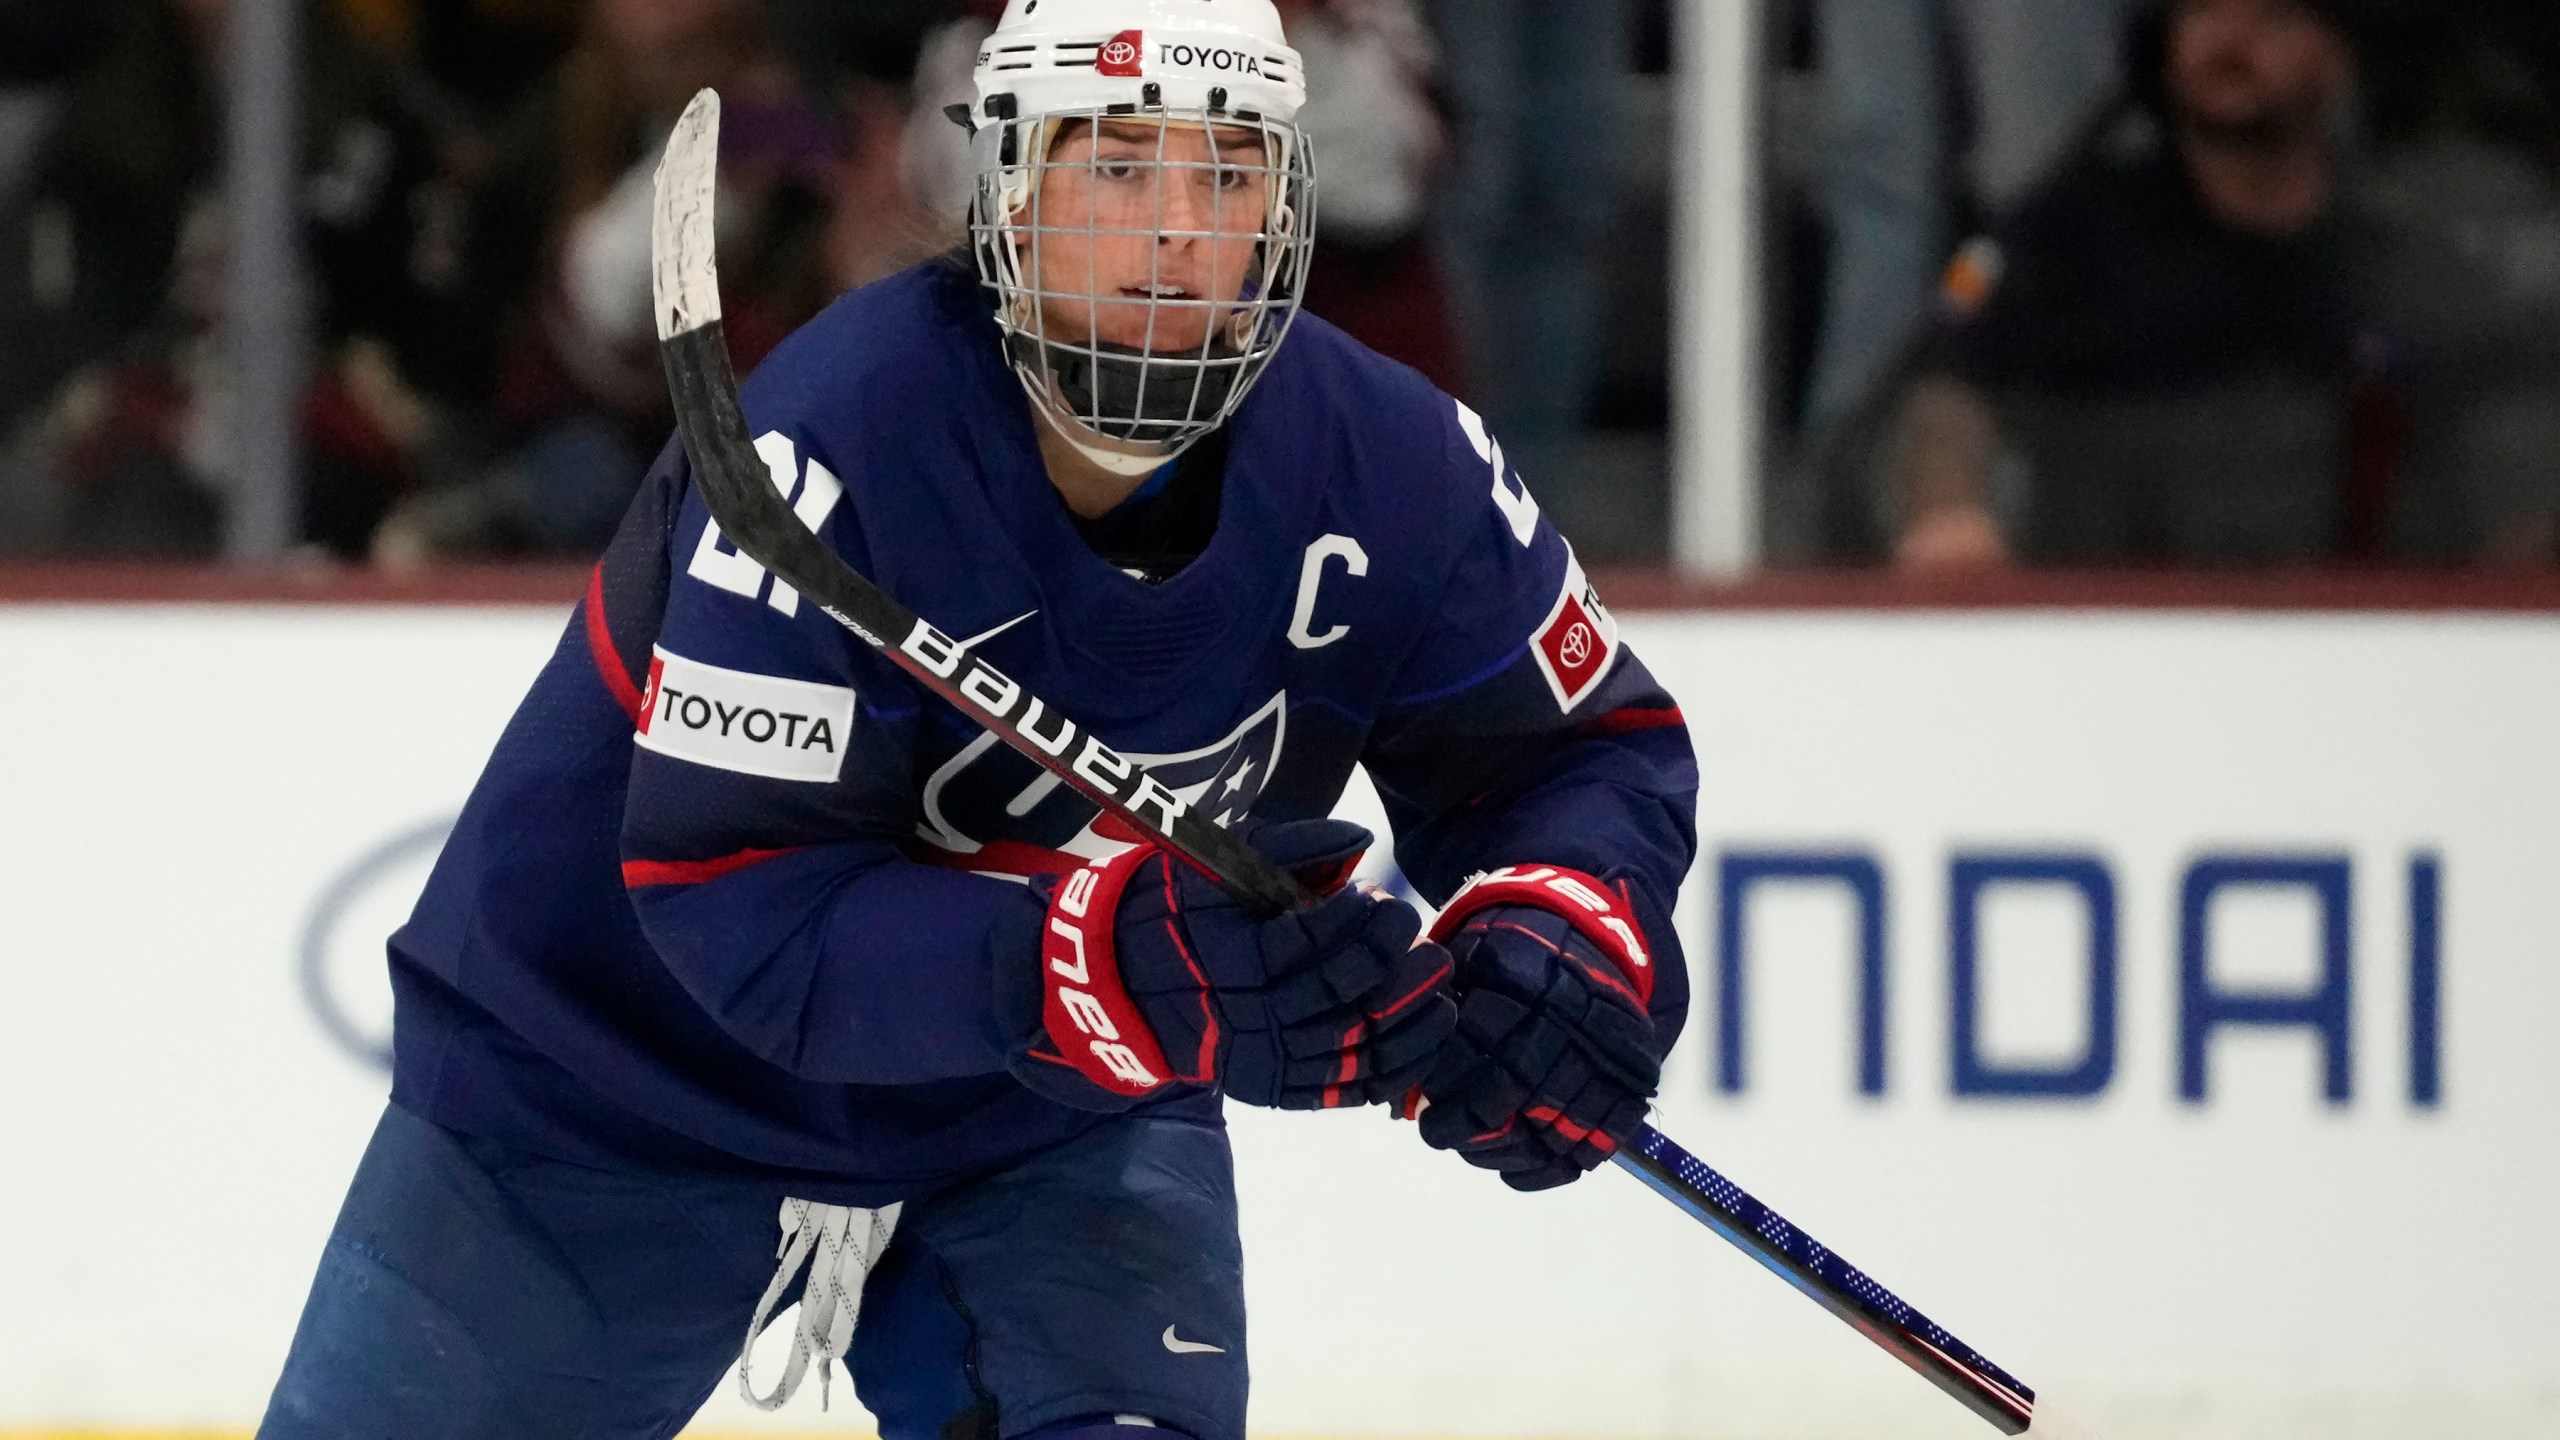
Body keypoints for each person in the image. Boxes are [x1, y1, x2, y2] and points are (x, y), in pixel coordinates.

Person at [257, 4, 1699, 1440]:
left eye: (1229, 171)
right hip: (599, 1099)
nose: (1179, 232)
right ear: (1008, 187)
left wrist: (1556, 942)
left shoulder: (1394, 462)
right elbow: (741, 905)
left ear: (1288, 200)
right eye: (1121, 168)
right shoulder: (830, 438)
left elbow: (1572, 754)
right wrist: (1116, 967)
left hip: (1040, 1130)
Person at [1887, 0, 2553, 567]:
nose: (2230, 40)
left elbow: (2510, 444)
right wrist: (1946, 511)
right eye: (2203, 10)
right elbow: (1946, 386)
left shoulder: (2402, 268)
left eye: (2269, 17)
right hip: (2107, 646)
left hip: (2359, 657)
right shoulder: (2065, 239)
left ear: (2336, 57)